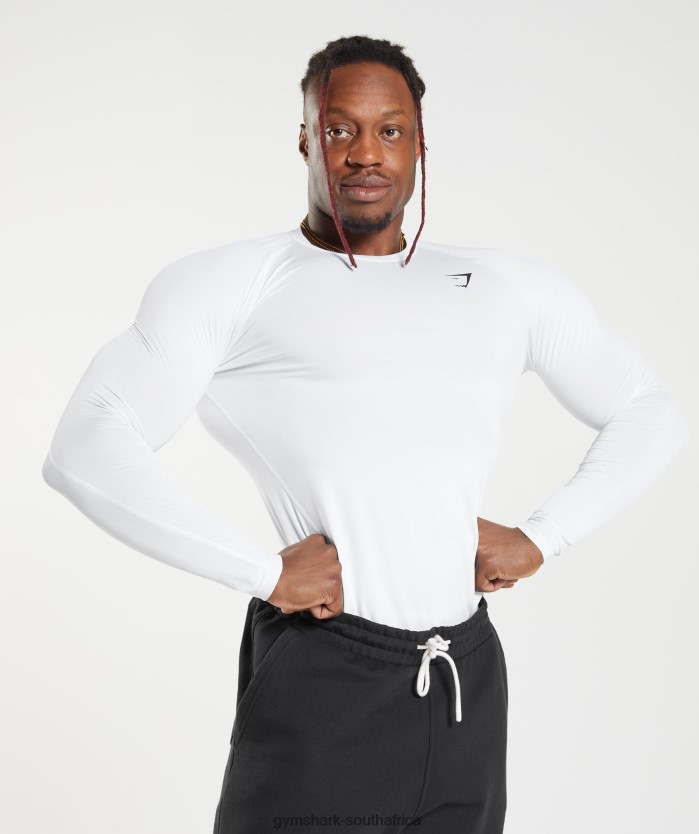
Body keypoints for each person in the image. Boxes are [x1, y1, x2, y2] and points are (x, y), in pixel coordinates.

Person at [42, 34, 688, 834]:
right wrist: (259, 571)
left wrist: (544, 536)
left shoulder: (507, 287)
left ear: (420, 144)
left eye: (390, 130)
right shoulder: (232, 283)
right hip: (326, 673)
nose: (365, 153)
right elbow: (87, 443)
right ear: (306, 140)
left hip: (465, 679)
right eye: (340, 129)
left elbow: (648, 409)